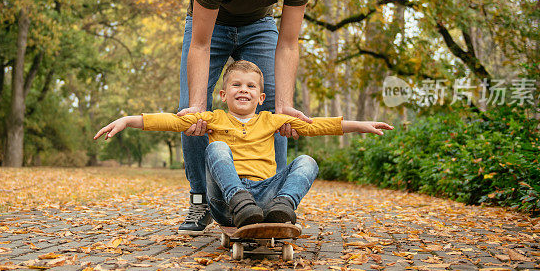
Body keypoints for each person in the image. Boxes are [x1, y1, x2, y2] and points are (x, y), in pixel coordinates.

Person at [95, 60, 393, 228]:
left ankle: (283, 206)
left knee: (307, 162)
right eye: (236, 85)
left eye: (251, 86)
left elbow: (318, 125)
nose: (244, 90)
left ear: (261, 98)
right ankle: (240, 202)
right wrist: (128, 119)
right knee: (216, 148)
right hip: (227, 202)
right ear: (223, 94)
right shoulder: (212, 118)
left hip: (265, 197)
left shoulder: (272, 120)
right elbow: (170, 121)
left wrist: (359, 126)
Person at [177, 0, 313, 235]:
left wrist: (284, 103)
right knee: (194, 113)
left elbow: (289, 44)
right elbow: (200, 44)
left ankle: (274, 202)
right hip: (211, 27)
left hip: (258, 26)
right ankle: (201, 201)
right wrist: (197, 103)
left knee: (273, 109)